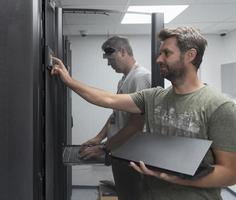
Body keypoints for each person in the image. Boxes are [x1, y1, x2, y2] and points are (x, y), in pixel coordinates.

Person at [51, 26, 236, 199]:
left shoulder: (219, 106)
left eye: (167, 53)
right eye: (160, 53)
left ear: (190, 55)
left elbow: (230, 173)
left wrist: (176, 178)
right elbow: (107, 100)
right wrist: (68, 80)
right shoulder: (154, 97)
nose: (159, 59)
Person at [77, 36, 151, 200]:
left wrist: (104, 148)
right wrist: (98, 138)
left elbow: (136, 125)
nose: (109, 64)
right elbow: (115, 114)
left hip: (133, 157)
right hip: (120, 152)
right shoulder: (124, 80)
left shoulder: (140, 78)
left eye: (111, 59)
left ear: (123, 52)